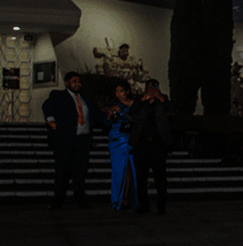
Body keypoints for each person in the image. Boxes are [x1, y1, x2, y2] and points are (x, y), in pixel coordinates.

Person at [43, 71, 105, 208]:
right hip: (65, 140)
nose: (77, 84)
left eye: (79, 82)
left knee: (80, 171)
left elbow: (95, 114)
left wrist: (110, 118)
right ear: (67, 83)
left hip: (82, 141)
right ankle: (58, 200)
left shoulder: (85, 98)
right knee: (62, 171)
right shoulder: (58, 95)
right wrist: (51, 120)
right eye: (74, 81)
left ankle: (80, 199)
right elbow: (47, 107)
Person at [130, 79, 173, 215]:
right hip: (142, 142)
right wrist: (144, 99)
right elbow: (132, 111)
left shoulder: (163, 100)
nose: (152, 89)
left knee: (160, 176)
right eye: (149, 87)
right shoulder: (139, 99)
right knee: (141, 176)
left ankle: (161, 206)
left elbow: (171, 111)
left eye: (154, 87)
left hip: (158, 143)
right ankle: (144, 205)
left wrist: (160, 98)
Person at [105, 80, 139, 211]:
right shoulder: (112, 104)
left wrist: (122, 113)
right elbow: (106, 124)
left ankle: (129, 197)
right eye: (116, 91)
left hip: (131, 136)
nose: (118, 94)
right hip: (117, 137)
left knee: (131, 167)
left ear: (127, 91)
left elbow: (137, 120)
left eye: (121, 91)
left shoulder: (135, 104)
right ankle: (120, 198)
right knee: (119, 168)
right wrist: (109, 115)